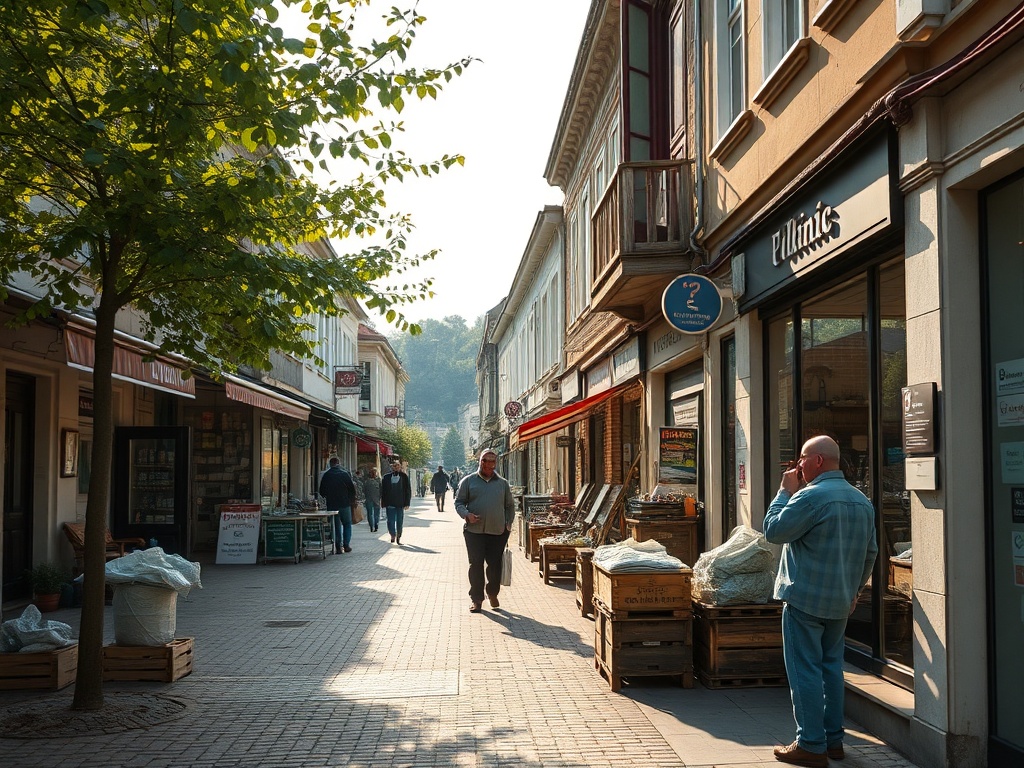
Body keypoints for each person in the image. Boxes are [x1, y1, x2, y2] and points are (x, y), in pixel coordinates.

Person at [763, 435, 878, 768]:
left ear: (817, 461)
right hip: (841, 601)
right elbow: (871, 553)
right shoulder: (861, 500)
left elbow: (773, 531)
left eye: (801, 458)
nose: (797, 465)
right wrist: (855, 590)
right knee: (831, 669)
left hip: (804, 599)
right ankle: (834, 741)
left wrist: (784, 491)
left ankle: (811, 745)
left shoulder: (809, 497)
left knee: (805, 670)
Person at [454, 448, 515, 614]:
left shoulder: (502, 483)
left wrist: (508, 523)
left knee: (495, 565)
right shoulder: (468, 481)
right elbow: (459, 502)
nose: (489, 465)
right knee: (476, 565)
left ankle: (492, 593)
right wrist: (467, 515)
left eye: (492, 461)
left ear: (496, 463)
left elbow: (510, 506)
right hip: (474, 531)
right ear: (479, 462)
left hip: (498, 531)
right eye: (485, 461)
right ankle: (477, 599)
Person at [318, 457, 356, 554]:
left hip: (332, 504)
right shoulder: (344, 474)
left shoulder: (327, 475)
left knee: (335, 526)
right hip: (344, 503)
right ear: (339, 463)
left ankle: (338, 547)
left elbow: (321, 491)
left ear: (330, 464)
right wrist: (351, 499)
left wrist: (328, 496)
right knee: (347, 523)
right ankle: (346, 545)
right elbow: (352, 489)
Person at [380, 460, 411, 544]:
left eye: (398, 466)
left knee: (399, 521)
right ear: (391, 467)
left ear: (400, 467)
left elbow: (408, 490)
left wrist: (407, 503)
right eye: (394, 466)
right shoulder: (386, 477)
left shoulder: (404, 476)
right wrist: (383, 502)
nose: (396, 467)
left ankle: (398, 536)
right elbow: (383, 491)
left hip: (400, 503)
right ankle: (392, 534)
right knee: (390, 521)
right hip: (390, 503)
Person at [362, 467, 382, 533]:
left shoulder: (366, 481)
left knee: (370, 513)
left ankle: (371, 526)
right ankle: (376, 524)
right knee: (377, 513)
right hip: (377, 499)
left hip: (368, 499)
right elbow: (381, 490)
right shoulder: (379, 480)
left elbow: (363, 490)